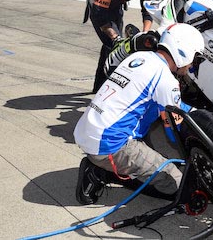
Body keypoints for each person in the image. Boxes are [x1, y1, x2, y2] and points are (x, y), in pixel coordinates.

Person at [74, 23, 205, 204]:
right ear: (184, 52)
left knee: (152, 122)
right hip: (110, 145)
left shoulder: (140, 57)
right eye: (195, 59)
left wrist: (194, 111)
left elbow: (165, 103)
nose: (192, 65)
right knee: (180, 185)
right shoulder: (166, 80)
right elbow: (174, 134)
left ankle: (110, 164)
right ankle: (101, 172)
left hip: (88, 129)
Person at [83, 0, 156, 93]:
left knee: (111, 47)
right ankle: (111, 91)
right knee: (116, 47)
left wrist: (144, 33)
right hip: (98, 9)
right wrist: (115, 38)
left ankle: (98, 87)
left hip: (116, 6)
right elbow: (100, 16)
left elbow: (148, 10)